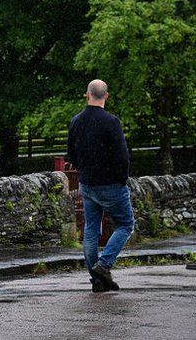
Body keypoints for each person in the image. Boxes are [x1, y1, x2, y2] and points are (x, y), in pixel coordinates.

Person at [65, 79, 134, 292]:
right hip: (111, 183)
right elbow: (122, 156)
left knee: (91, 229)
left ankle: (96, 279)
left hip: (87, 183)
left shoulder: (76, 121)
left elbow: (71, 155)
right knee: (125, 224)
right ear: (107, 95)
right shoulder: (111, 122)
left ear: (87, 95)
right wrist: (122, 178)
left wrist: (84, 169)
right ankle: (103, 266)